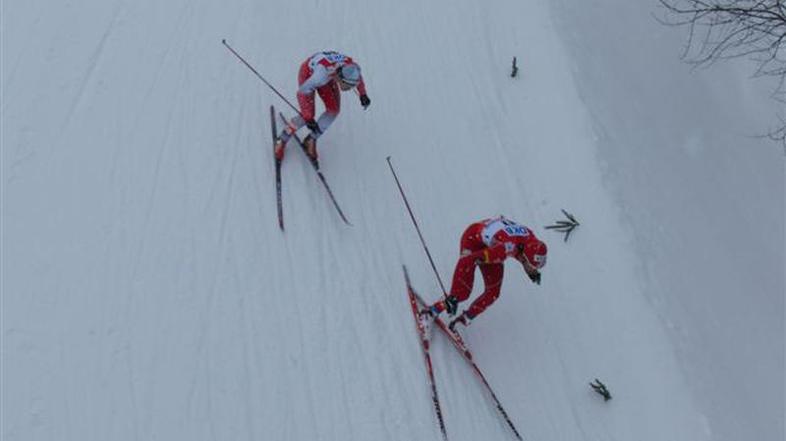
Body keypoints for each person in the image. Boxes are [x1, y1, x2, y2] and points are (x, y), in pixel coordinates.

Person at [423, 216, 547, 331]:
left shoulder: (531, 240)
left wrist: (531, 271)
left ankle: (464, 320)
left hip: (492, 245)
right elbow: (467, 261)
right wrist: (453, 297)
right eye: (530, 265)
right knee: (462, 293)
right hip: (473, 241)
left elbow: (522, 251)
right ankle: (431, 312)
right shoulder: (505, 248)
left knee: (493, 292)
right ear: (524, 256)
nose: (530, 268)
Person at [275, 51, 371, 161]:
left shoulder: (350, 67)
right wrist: (309, 118)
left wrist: (363, 94)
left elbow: (357, 78)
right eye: (348, 86)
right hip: (308, 75)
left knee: (333, 110)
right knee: (307, 115)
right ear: (341, 79)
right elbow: (302, 92)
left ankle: (311, 139)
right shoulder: (320, 76)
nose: (350, 89)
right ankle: (282, 139)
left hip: (329, 75)